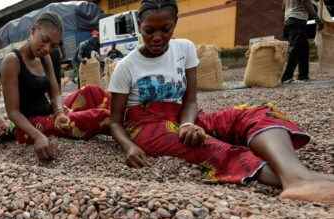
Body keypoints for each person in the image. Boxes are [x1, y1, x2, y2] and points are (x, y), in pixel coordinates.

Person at [108, 0, 334, 204]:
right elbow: (115, 121)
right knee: (207, 146)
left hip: (184, 115)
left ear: (175, 23)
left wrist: (187, 124)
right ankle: (294, 180)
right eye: (149, 31)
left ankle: (297, 174)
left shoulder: (184, 48)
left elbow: (190, 100)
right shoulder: (126, 67)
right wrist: (130, 146)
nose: (157, 37)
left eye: (165, 29)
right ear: (139, 25)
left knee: (252, 114)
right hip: (148, 126)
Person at [1, 13, 110, 161]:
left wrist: (59, 112)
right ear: (33, 31)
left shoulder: (44, 57)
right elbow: (12, 112)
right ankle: (135, 127)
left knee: (92, 91)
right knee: (101, 116)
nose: (47, 48)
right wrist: (38, 136)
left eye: (53, 45)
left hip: (49, 113)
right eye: (44, 40)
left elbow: (54, 91)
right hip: (31, 125)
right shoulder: (12, 61)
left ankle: (130, 111)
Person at [281, 0, 323, 83]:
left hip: (291, 20)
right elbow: (306, 2)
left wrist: (287, 16)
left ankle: (303, 76)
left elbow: (283, 7)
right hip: (297, 20)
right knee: (295, 50)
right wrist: (317, 19)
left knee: (303, 49)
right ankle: (287, 77)